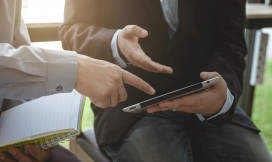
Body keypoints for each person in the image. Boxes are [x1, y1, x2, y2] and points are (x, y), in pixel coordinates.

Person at [60, 0, 272, 161]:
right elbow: (72, 32)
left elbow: (231, 44)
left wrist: (224, 97)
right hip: (130, 105)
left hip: (207, 104)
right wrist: (115, 43)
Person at [0, 0, 172, 161]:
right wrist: (76, 68)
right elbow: (71, 31)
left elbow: (17, 64)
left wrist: (32, 137)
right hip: (129, 110)